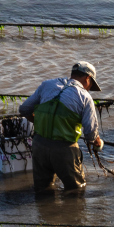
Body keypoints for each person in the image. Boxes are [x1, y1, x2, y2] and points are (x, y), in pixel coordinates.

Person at [18, 62, 104, 191]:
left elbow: (24, 109)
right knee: (76, 190)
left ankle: (45, 210)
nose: (89, 89)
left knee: (42, 189)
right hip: (64, 150)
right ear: (87, 78)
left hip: (39, 146)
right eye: (90, 85)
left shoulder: (47, 85)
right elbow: (90, 134)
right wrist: (98, 143)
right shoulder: (85, 96)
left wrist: (41, 122)